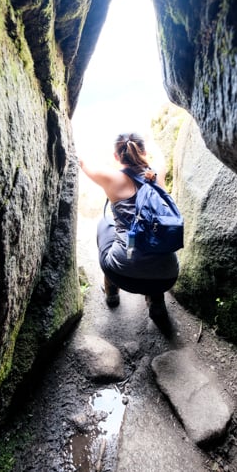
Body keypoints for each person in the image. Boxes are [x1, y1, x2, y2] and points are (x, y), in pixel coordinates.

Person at [78, 132, 179, 330]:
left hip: (122, 275)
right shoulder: (157, 174)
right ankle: (156, 302)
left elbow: (82, 162)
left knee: (104, 225)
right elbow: (159, 157)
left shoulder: (111, 178)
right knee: (155, 243)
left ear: (116, 157)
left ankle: (112, 293)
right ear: (144, 151)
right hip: (167, 276)